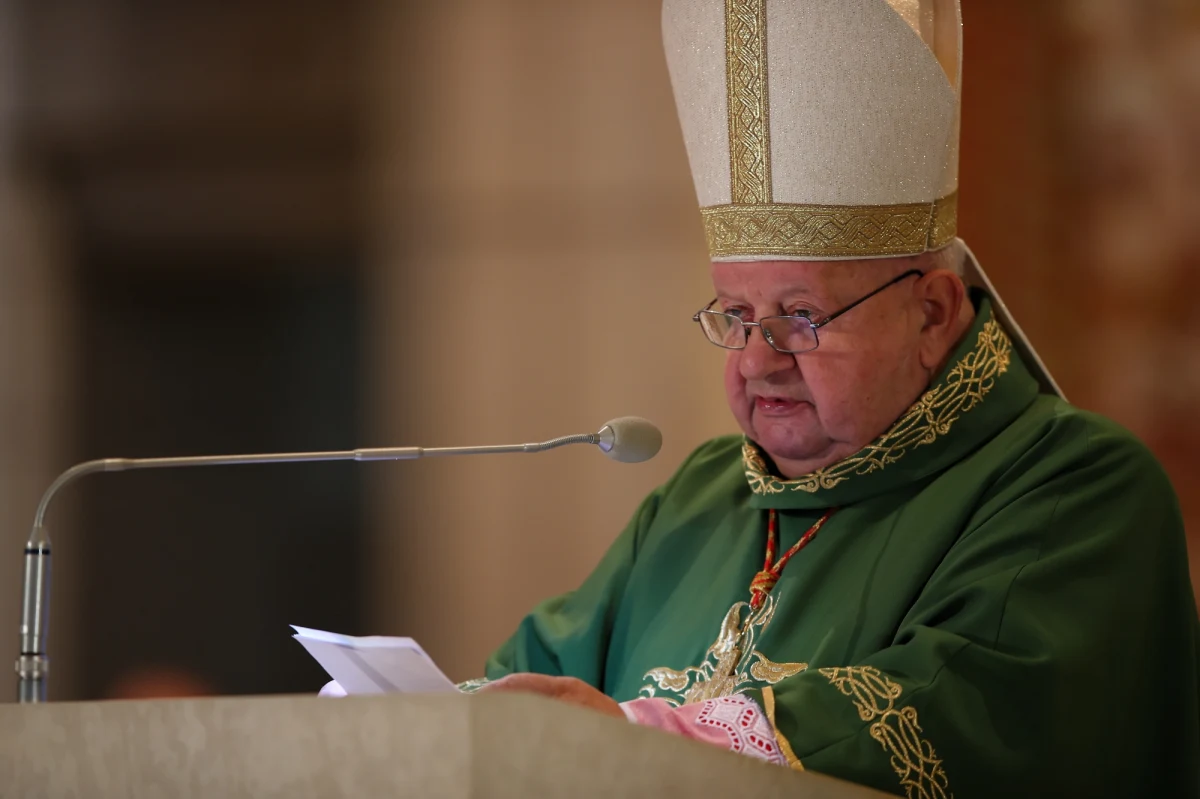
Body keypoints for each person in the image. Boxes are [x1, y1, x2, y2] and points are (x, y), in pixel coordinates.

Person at [468, 0, 1200, 796]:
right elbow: (528, 686)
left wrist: (642, 739)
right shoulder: (701, 495)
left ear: (932, 313)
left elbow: (964, 714)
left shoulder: (1078, 487)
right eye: (736, 315)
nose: (758, 360)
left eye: (801, 317)